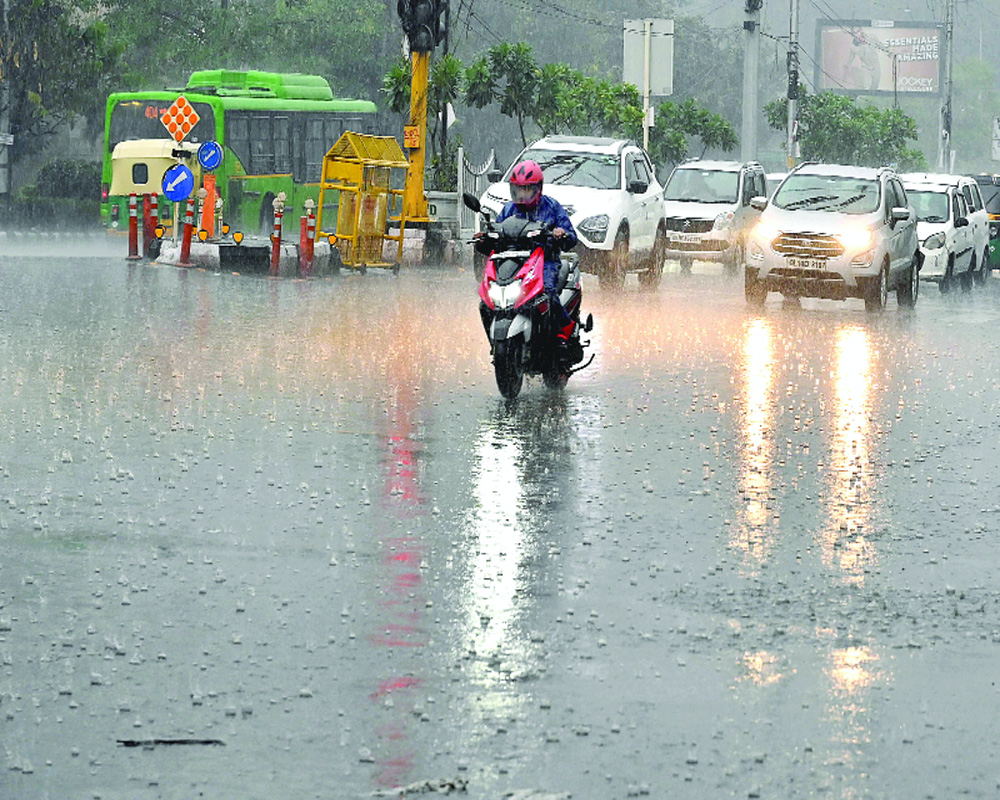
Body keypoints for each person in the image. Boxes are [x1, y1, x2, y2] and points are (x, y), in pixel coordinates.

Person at [478, 159, 579, 348]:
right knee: (486, 301)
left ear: (538, 189)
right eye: (518, 190)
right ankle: (495, 343)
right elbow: (497, 232)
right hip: (513, 262)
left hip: (546, 260)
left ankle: (565, 328)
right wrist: (485, 237)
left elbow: (571, 237)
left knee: (548, 293)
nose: (522, 195)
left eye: (527, 190)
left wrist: (561, 233)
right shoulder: (508, 209)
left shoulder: (552, 207)